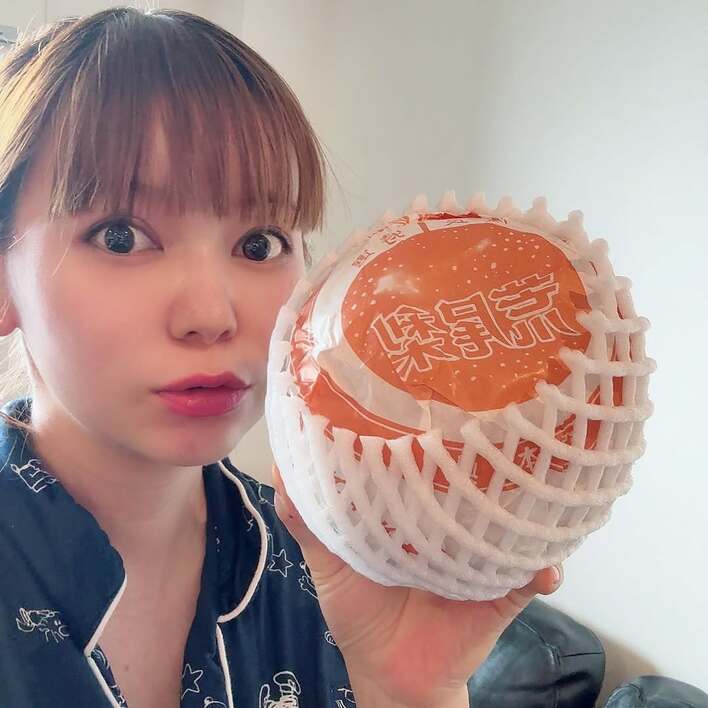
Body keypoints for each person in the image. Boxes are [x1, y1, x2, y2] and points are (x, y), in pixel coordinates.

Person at [0, 7, 563, 708]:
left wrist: (409, 688)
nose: (212, 314)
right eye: (121, 236)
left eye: (260, 243)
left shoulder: (326, 571)